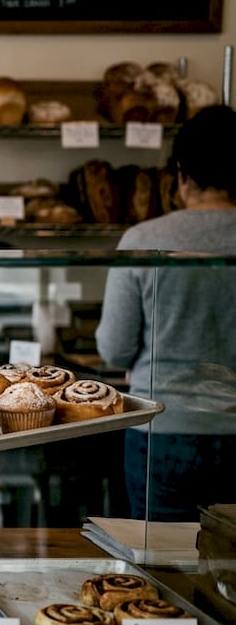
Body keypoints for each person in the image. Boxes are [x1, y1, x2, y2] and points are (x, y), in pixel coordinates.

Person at [95, 104, 236, 522]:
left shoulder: (144, 238)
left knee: (161, 563)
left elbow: (115, 350)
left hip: (162, 429)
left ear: (181, 173)